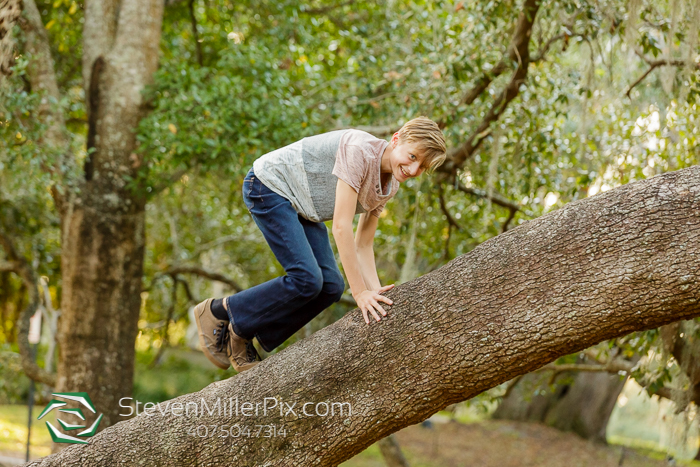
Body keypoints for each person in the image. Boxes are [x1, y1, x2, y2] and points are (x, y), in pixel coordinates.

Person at [194, 116, 447, 372]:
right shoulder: (359, 150)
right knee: (307, 279)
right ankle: (218, 309)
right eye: (413, 157)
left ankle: (242, 330)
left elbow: (363, 244)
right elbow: (340, 226)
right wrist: (359, 294)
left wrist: (376, 294)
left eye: (422, 167)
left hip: (305, 206)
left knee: (331, 287)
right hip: (269, 186)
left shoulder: (390, 185)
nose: (413, 170)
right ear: (396, 139)